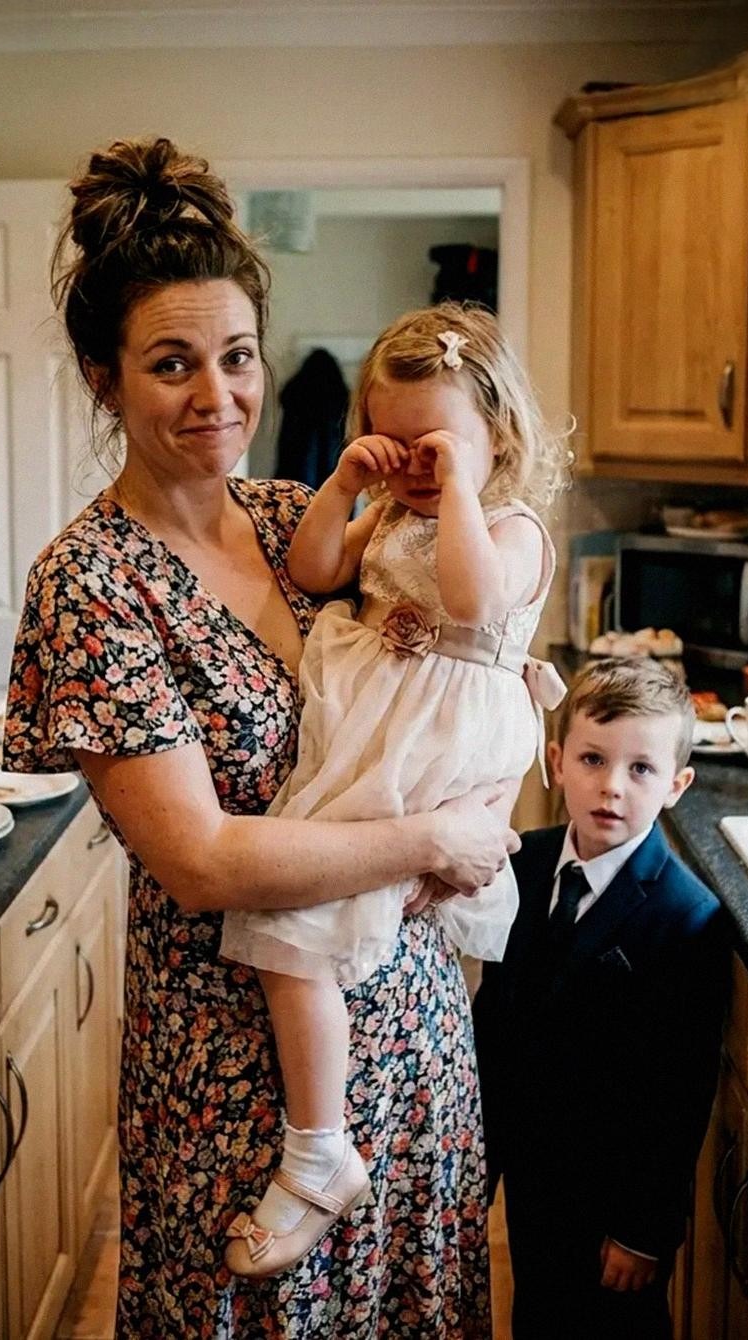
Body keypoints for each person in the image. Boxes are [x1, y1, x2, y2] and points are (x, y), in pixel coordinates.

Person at [3, 136, 516, 1339]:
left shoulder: (304, 522)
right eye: (170, 363)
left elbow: (470, 651)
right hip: (239, 1088)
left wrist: (492, 791)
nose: (216, 394)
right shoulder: (93, 582)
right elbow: (202, 858)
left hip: (413, 1037)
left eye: (236, 356)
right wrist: (435, 835)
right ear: (103, 380)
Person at [218, 303, 570, 1278]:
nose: (416, 464)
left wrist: (455, 490)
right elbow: (315, 568)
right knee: (304, 924)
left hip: (437, 744)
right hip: (379, 736)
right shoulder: (390, 511)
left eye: (437, 444)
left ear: (499, 433)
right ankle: (323, 1139)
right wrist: (345, 484)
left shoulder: (510, 528)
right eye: (396, 441)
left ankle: (318, 1149)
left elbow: (470, 599)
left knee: (301, 925)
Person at [472, 658, 727, 1340]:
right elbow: (497, 1016)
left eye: (641, 769)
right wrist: (480, 1156)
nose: (612, 786)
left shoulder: (686, 918)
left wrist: (644, 1230)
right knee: (537, 1313)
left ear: (676, 786)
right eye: (593, 759)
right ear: (556, 762)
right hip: (532, 1174)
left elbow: (679, 1092)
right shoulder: (523, 862)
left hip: (613, 1198)